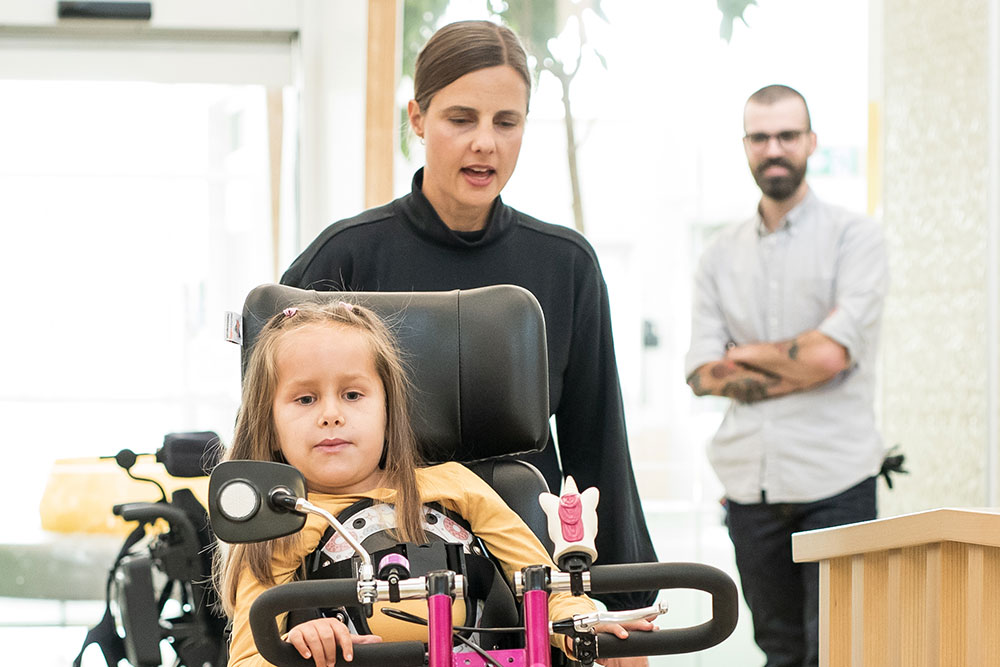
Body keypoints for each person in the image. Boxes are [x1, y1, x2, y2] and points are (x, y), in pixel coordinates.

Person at [281, 19, 657, 615]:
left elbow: (597, 443)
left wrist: (624, 599)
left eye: (506, 122)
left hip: (537, 578)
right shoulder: (344, 257)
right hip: (372, 581)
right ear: (417, 118)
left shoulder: (566, 265)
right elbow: (278, 434)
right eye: (462, 119)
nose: (486, 142)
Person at [214, 301, 655, 667]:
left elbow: (543, 584)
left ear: (388, 408)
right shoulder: (277, 525)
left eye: (352, 395)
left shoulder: (457, 487)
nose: (331, 414)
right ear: (269, 424)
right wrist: (295, 645)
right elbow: (250, 657)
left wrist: (585, 622)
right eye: (305, 398)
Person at [684, 84, 888, 667]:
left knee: (840, 652)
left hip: (837, 482)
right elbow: (701, 373)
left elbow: (830, 357)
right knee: (778, 651)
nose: (774, 148)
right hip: (751, 487)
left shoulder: (856, 238)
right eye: (760, 136)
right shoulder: (718, 256)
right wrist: (802, 352)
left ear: (812, 143)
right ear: (745, 145)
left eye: (787, 135)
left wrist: (742, 351)